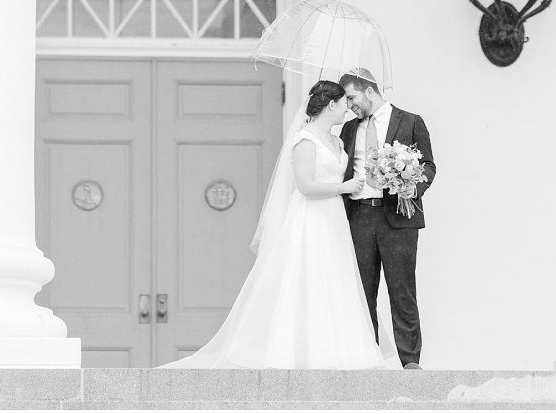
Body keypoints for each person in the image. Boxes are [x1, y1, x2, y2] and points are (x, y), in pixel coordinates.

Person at [160, 80, 398, 369]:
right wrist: (344, 187)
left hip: (334, 220)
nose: (347, 109)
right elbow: (306, 186)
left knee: (335, 279)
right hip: (311, 218)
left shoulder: (336, 141)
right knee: (308, 280)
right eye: (343, 104)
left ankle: (336, 350)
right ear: (331, 105)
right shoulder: (305, 140)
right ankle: (298, 351)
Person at [339, 68, 436, 370]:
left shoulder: (410, 122)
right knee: (362, 290)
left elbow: (429, 165)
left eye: (352, 98)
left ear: (368, 91)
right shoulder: (348, 129)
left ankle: (410, 362)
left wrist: (413, 186)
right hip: (359, 216)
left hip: (398, 217)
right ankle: (368, 360)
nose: (350, 106)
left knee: (402, 289)